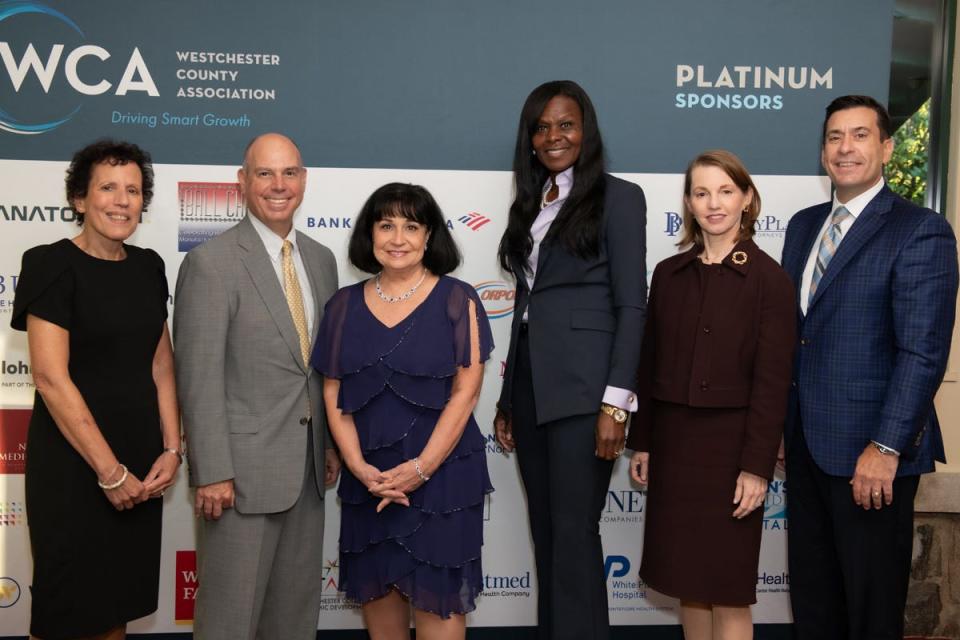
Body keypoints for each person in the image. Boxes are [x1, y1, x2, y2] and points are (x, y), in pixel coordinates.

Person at [781, 95, 958, 639]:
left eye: (860, 135)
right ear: (823, 152)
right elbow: (798, 336)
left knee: (870, 611)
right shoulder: (803, 225)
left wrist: (885, 448)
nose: (845, 147)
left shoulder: (919, 229)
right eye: (835, 137)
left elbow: (923, 351)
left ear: (886, 147)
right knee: (815, 604)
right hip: (808, 448)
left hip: (871, 460)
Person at [493, 80, 647, 640]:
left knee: (574, 532)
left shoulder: (620, 197)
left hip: (587, 391)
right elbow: (528, 306)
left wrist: (617, 403)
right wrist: (510, 399)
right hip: (534, 386)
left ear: (587, 130)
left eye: (566, 124)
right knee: (548, 534)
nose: (553, 136)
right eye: (542, 127)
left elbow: (632, 305)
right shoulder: (532, 201)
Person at [11, 139, 180, 640]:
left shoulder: (149, 267)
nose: (122, 200)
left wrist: (172, 448)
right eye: (107, 187)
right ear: (80, 200)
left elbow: (162, 364)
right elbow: (49, 377)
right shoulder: (49, 264)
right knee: (66, 610)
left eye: (133, 190)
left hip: (141, 461)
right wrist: (109, 472)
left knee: (116, 605)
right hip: (75, 466)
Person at [173, 133, 341, 640]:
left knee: (293, 620)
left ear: (304, 181)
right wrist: (213, 472)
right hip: (239, 481)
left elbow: (318, 367)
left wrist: (328, 444)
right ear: (242, 183)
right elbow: (198, 376)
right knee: (229, 619)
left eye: (289, 173)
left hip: (308, 474)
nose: (278, 185)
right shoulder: (211, 263)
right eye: (265, 174)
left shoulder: (322, 259)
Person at [626, 150, 796, 639]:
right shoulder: (668, 274)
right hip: (676, 448)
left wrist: (756, 466)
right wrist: (646, 441)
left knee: (728, 588)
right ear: (688, 202)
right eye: (702, 192)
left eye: (725, 191)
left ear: (747, 198)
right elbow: (650, 367)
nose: (714, 203)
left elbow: (772, 383)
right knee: (688, 585)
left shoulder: (770, 281)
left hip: (732, 452)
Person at [312, 182, 493, 640]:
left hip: (441, 482)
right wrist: (358, 468)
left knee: (440, 615)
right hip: (370, 483)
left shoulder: (458, 299)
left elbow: (466, 393)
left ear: (429, 235)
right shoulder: (342, 306)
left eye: (411, 226)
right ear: (369, 235)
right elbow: (334, 395)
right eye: (386, 224)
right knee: (383, 622)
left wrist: (420, 469)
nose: (398, 238)